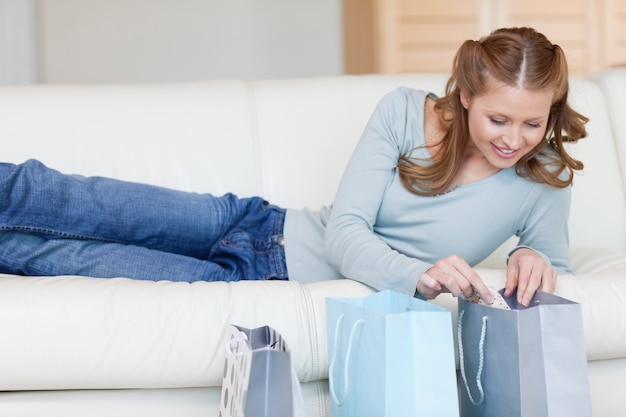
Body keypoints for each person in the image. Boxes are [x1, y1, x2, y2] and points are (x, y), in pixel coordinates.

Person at [0, 27, 587, 307]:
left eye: (532, 124)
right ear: (465, 97)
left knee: (54, 259)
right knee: (75, 199)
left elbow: (548, 262)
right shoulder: (405, 112)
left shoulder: (544, 178)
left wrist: (526, 255)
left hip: (253, 283)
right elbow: (345, 233)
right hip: (258, 224)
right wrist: (417, 275)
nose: (515, 140)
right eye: (498, 120)